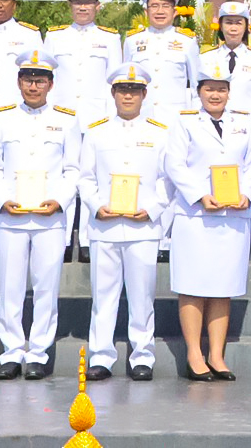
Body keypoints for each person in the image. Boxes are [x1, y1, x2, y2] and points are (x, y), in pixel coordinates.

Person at [0, 49, 81, 380]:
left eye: (40, 80)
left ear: (51, 84)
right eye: (28, 79)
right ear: (18, 82)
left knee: (45, 287)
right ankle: (11, 352)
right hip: (11, 215)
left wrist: (59, 200)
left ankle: (38, 352)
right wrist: (2, 199)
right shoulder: (1, 118)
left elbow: (73, 169)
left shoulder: (67, 120)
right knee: (10, 287)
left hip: (49, 216)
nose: (34, 86)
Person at [78, 63, 173, 381]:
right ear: (113, 93)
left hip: (142, 226)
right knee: (102, 295)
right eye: (122, 90)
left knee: (142, 294)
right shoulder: (96, 131)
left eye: (134, 90)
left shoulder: (160, 133)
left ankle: (142, 356)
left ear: (144, 94)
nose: (128, 96)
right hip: (105, 225)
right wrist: (95, 205)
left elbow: (166, 180)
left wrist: (152, 208)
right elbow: (85, 177)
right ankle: (101, 356)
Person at [165, 64, 251, 381]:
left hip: (232, 215)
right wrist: (200, 194)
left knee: (223, 285)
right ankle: (194, 353)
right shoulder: (185, 123)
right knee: (193, 285)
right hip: (196, 215)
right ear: (199, 92)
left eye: (221, 89)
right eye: (209, 89)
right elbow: (174, 164)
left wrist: (247, 193)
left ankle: (217, 355)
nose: (215, 94)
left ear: (229, 93)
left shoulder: (245, 123)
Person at [46, 0, 121, 263]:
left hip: (96, 118)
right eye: (77, 2)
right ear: (70, 5)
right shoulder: (55, 37)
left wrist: (109, 119)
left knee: (92, 176)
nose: (82, 7)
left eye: (88, 2)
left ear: (97, 6)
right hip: (63, 118)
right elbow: (47, 78)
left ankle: (88, 240)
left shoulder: (110, 39)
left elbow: (114, 81)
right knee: (62, 175)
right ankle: (64, 239)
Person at [122, 0, 202, 125]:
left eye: (165, 6)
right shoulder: (132, 41)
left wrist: (195, 118)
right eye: (154, 6)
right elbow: (125, 81)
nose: (160, 11)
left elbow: (197, 85)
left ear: (175, 12)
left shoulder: (187, 41)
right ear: (146, 11)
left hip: (176, 120)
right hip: (141, 118)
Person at [201, 0, 251, 153]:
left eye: (238, 23)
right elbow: (198, 96)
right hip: (213, 126)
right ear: (221, 26)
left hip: (247, 128)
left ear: (246, 26)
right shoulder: (206, 58)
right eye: (228, 22)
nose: (233, 28)